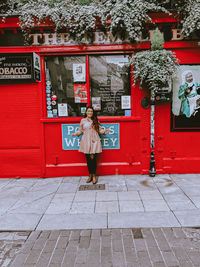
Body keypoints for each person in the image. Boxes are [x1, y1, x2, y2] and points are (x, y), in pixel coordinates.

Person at [71, 106, 109, 184]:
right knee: (88, 159)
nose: (90, 113)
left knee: (93, 159)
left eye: (91, 111)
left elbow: (100, 130)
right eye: (88, 111)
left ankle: (94, 175)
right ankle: (90, 175)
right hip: (86, 140)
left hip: (94, 140)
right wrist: (75, 134)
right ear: (86, 112)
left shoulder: (95, 120)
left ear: (93, 112)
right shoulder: (83, 120)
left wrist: (104, 131)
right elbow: (80, 131)